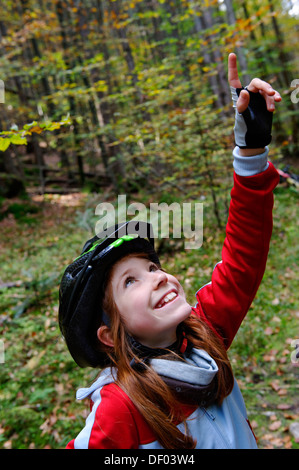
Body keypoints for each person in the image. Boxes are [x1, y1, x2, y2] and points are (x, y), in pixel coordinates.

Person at [58, 53, 282, 449]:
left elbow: (243, 259)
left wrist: (251, 153)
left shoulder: (203, 337)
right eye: (131, 281)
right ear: (110, 335)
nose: (158, 275)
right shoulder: (120, 409)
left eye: (150, 266)